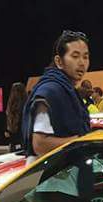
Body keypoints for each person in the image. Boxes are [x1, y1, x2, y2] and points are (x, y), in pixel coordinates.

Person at [22, 30, 92, 158]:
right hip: (50, 169)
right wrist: (84, 140)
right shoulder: (50, 92)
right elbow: (40, 145)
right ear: (59, 61)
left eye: (85, 57)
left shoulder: (67, 91)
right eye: (75, 56)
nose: (82, 63)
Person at [5, 81, 27, 150]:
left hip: (13, 135)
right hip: (24, 135)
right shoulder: (27, 103)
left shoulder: (10, 105)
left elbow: (9, 118)